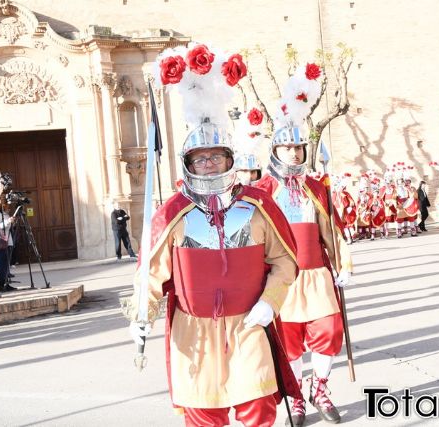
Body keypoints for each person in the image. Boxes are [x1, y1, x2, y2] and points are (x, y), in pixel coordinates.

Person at [125, 43, 300, 426]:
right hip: (194, 331)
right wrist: (142, 311)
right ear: (188, 163)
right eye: (199, 158)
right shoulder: (171, 213)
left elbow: (285, 261)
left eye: (215, 157)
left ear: (229, 160)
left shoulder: (257, 205)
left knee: (259, 409)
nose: (208, 164)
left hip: (249, 323)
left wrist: (271, 301)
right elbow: (151, 273)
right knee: (205, 415)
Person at [256, 61, 353, 425]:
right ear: (275, 151)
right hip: (281, 279)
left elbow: (334, 231)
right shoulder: (261, 192)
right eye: (287, 148)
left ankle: (321, 387)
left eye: (299, 148)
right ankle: (296, 395)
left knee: (328, 331)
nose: (295, 154)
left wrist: (344, 264)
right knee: (290, 340)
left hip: (317, 276)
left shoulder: (316, 187)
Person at [0, 199, 17, 292]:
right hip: (0, 241)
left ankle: (6, 283)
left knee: (6, 263)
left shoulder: (3, 213)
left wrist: (11, 222)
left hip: (7, 240)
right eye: (0, 201)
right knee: (2, 264)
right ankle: (2, 285)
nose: (3, 203)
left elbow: (8, 227)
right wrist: (8, 221)